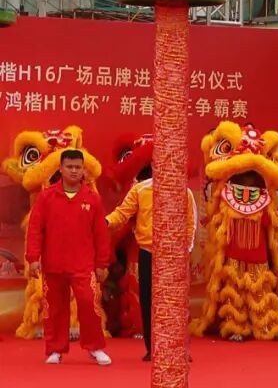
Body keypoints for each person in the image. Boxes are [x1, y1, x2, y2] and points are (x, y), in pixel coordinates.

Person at [25, 148, 112, 366]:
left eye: (78, 167)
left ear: (84, 171)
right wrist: (33, 257)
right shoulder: (46, 197)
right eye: (70, 167)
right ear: (61, 169)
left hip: (83, 264)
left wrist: (102, 264)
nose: (74, 171)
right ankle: (55, 349)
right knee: (54, 309)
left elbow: (101, 234)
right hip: (53, 263)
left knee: (88, 304)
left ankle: (95, 347)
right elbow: (35, 229)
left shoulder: (92, 199)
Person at [107, 161, 197, 361]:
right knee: (148, 301)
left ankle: (178, 348)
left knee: (175, 304)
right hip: (148, 252)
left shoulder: (185, 192)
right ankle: (152, 348)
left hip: (173, 255)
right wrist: (105, 221)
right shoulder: (140, 189)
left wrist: (185, 250)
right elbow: (122, 213)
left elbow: (190, 222)